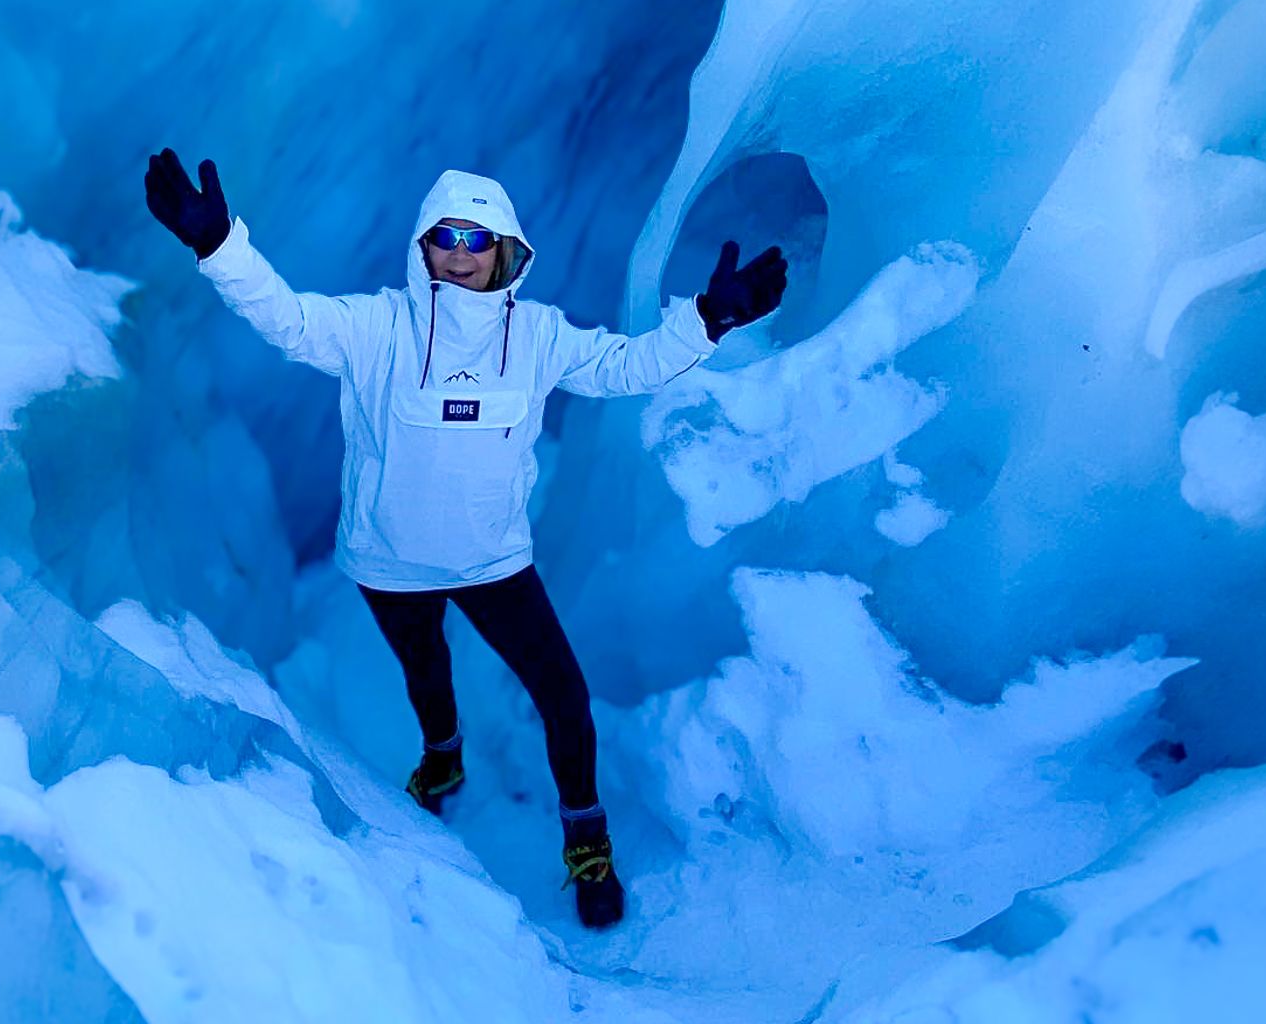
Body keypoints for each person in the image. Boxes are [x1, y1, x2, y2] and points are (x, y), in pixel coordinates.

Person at [144, 149, 786, 928]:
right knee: (426, 670)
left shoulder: (539, 336)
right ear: (423, 245)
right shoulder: (376, 326)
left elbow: (625, 367)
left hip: (494, 564)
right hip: (390, 563)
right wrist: (220, 248)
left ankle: (587, 842)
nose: (458, 250)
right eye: (445, 234)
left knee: (564, 696)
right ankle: (443, 755)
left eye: (476, 239)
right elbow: (290, 319)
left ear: (505, 252)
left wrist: (706, 321)